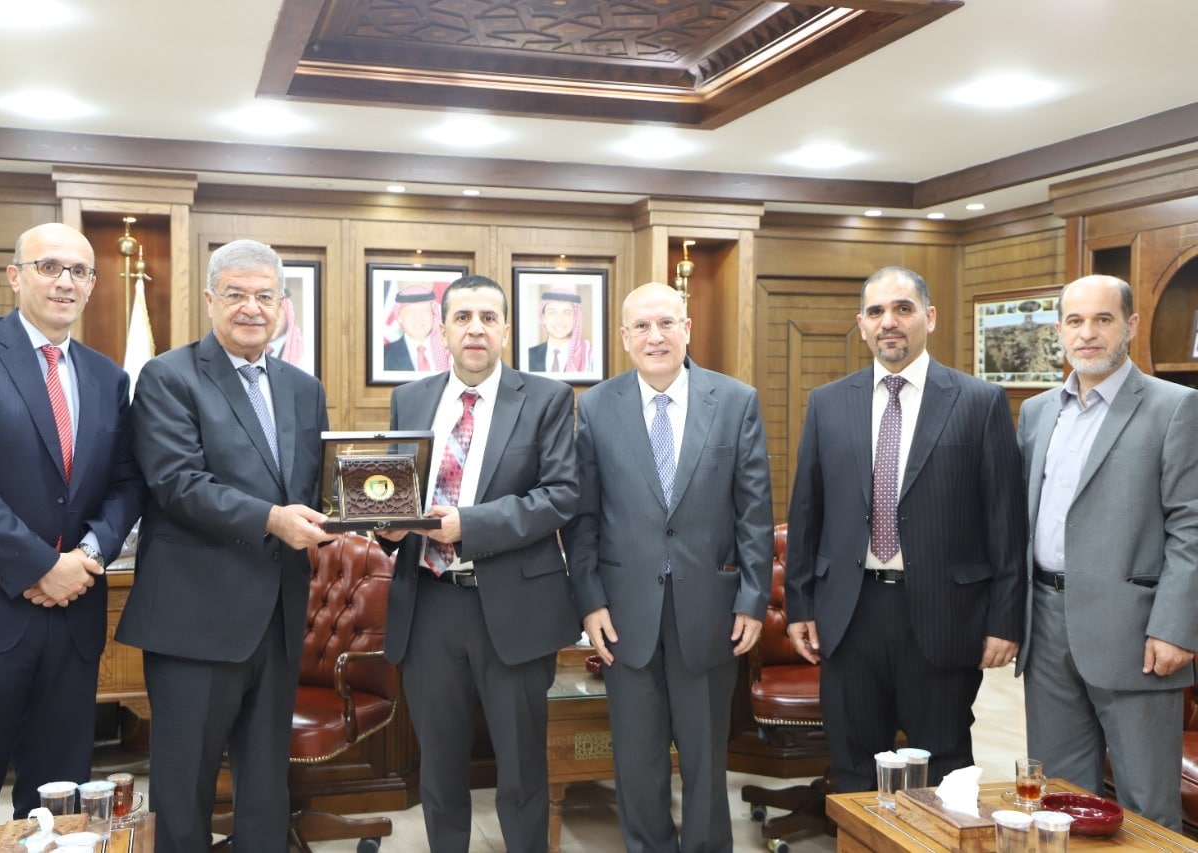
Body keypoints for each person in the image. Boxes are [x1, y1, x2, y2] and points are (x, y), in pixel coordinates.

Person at [0, 222, 144, 829]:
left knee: (59, 812)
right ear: (15, 276)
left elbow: (127, 483)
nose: (65, 282)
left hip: (70, 626)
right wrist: (44, 567)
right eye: (49, 267)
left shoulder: (108, 378)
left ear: (92, 285)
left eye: (80, 271)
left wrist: (87, 556)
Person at [114, 239, 335, 852]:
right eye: (236, 294)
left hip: (279, 618)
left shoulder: (304, 388)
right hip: (196, 620)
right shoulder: (169, 376)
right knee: (185, 789)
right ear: (210, 299)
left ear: (282, 305)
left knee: (265, 787)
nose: (251, 308)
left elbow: (317, 487)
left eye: (265, 295)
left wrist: (377, 516)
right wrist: (273, 520)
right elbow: (177, 484)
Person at [785, 265, 1026, 792]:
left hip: (944, 614)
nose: (888, 322)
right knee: (853, 766)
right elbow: (807, 512)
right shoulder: (828, 402)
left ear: (929, 317)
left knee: (943, 769)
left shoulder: (979, 401)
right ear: (862, 325)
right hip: (849, 613)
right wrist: (800, 604)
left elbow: (1005, 522)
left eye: (902, 309)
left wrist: (1005, 619)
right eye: (875, 312)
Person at [563, 281, 773, 853]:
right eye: (641, 326)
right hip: (624, 615)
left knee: (705, 761)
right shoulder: (597, 406)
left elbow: (755, 513)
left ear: (687, 329)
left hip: (710, 614)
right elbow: (582, 517)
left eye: (666, 323)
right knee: (637, 763)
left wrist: (753, 599)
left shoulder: (735, 401)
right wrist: (589, 601)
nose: (655, 336)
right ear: (624, 337)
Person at [376, 273, 580, 853]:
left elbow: (561, 495)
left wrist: (470, 524)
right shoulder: (410, 398)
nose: (475, 329)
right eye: (462, 317)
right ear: (442, 330)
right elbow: (395, 491)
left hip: (515, 606)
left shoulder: (546, 398)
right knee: (439, 767)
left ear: (506, 331)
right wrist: (388, 526)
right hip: (428, 603)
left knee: (521, 768)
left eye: (488, 318)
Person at [1016, 274, 1198, 830]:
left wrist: (1175, 628)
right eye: (1075, 321)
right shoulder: (1037, 412)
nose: (1087, 333)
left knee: (1147, 809)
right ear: (1059, 331)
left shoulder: (1176, 407)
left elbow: (1191, 526)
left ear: (1131, 325)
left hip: (1136, 635)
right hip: (1046, 626)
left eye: (1103, 320)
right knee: (1059, 803)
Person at [527, 288, 592, 373]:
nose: (559, 320)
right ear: (543, 318)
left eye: (567, 313)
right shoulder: (528, 356)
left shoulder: (589, 356)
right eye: (552, 312)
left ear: (575, 319)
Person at [383, 284, 444, 372]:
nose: (418, 317)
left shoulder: (450, 354)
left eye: (424, 310)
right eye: (411, 311)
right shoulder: (384, 356)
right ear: (399, 317)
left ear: (433, 314)